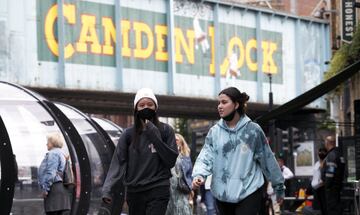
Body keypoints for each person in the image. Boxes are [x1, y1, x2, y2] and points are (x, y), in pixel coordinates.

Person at [191, 87, 285, 215]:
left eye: (224, 102)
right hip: (222, 194)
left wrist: (278, 186)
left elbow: (267, 160)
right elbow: (206, 156)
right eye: (219, 103)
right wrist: (199, 174)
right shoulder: (215, 132)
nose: (219, 106)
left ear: (236, 105)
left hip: (249, 191)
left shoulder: (253, 131)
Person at [102, 88, 178, 215]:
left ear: (156, 108)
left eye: (150, 104)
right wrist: (108, 189)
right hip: (135, 191)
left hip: (158, 188)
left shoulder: (166, 130)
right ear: (136, 109)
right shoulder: (128, 134)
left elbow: (170, 160)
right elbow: (118, 162)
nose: (146, 108)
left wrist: (154, 136)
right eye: (141, 105)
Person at [38, 133, 71, 215]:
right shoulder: (62, 154)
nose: (46, 144)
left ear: (53, 143)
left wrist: (45, 189)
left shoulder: (53, 154)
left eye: (48, 142)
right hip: (62, 189)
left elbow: (50, 173)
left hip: (54, 190)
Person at [166, 133, 193, 215]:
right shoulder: (167, 153)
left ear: (181, 142)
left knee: (182, 209)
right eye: (173, 139)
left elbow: (189, 174)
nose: (174, 141)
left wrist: (191, 188)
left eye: (177, 140)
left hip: (181, 188)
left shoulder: (185, 157)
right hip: (168, 187)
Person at [322, 135, 345, 215]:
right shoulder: (339, 154)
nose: (325, 145)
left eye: (325, 143)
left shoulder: (331, 155)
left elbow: (330, 174)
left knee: (332, 210)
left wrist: (326, 186)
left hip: (332, 189)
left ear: (328, 143)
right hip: (338, 187)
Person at [302, 147, 327, 215]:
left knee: (305, 210)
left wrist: (307, 191)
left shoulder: (319, 166)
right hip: (323, 202)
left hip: (319, 205)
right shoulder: (319, 165)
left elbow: (315, 183)